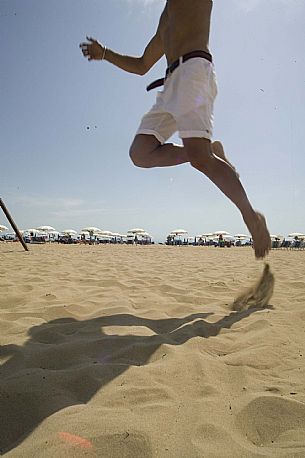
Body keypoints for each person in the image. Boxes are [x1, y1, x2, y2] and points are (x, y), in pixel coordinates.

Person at [80, 0, 271, 258]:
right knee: (140, 154)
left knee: (201, 160)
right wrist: (105, 54)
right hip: (170, 84)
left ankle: (251, 216)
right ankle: (207, 150)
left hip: (194, 70)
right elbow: (141, 65)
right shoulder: (164, 18)